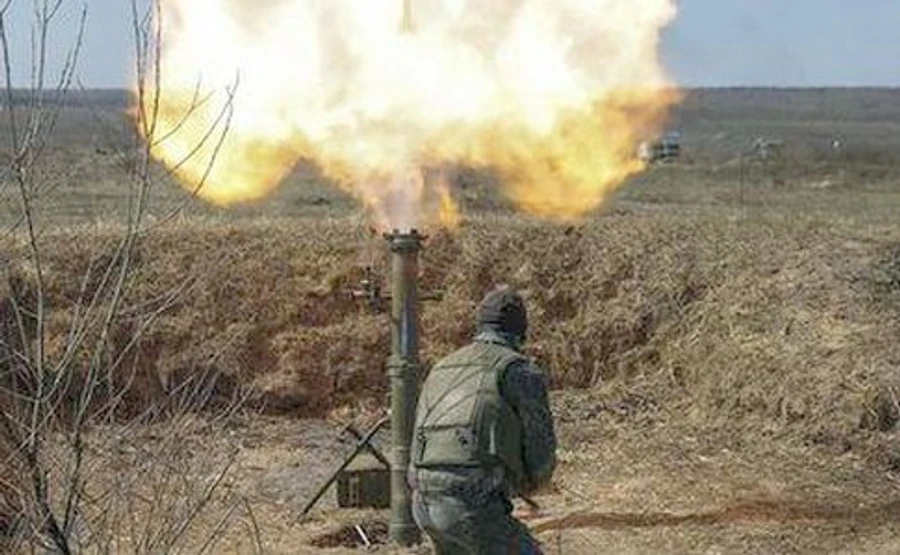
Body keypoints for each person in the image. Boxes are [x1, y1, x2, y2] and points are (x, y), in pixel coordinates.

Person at [408, 285, 557, 554]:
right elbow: (540, 448)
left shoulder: (441, 367)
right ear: (520, 331)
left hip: (422, 501)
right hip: (471, 505)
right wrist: (533, 482)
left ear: (479, 326)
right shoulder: (518, 370)